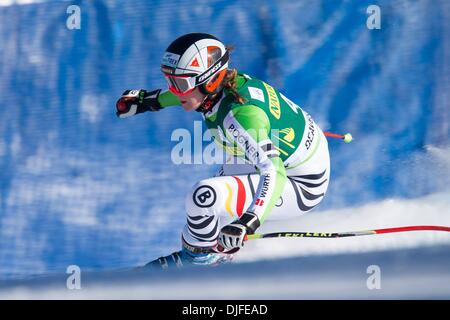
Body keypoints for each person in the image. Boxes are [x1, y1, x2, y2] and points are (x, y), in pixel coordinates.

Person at [116, 33, 330, 269]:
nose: (174, 91)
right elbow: (188, 93)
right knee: (210, 214)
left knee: (204, 196)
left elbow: (274, 170)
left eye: (179, 84)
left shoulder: (241, 116)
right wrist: (149, 100)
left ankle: (202, 262)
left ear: (209, 81)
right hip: (289, 156)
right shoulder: (220, 89)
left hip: (300, 183)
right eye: (170, 82)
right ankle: (210, 254)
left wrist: (249, 220)